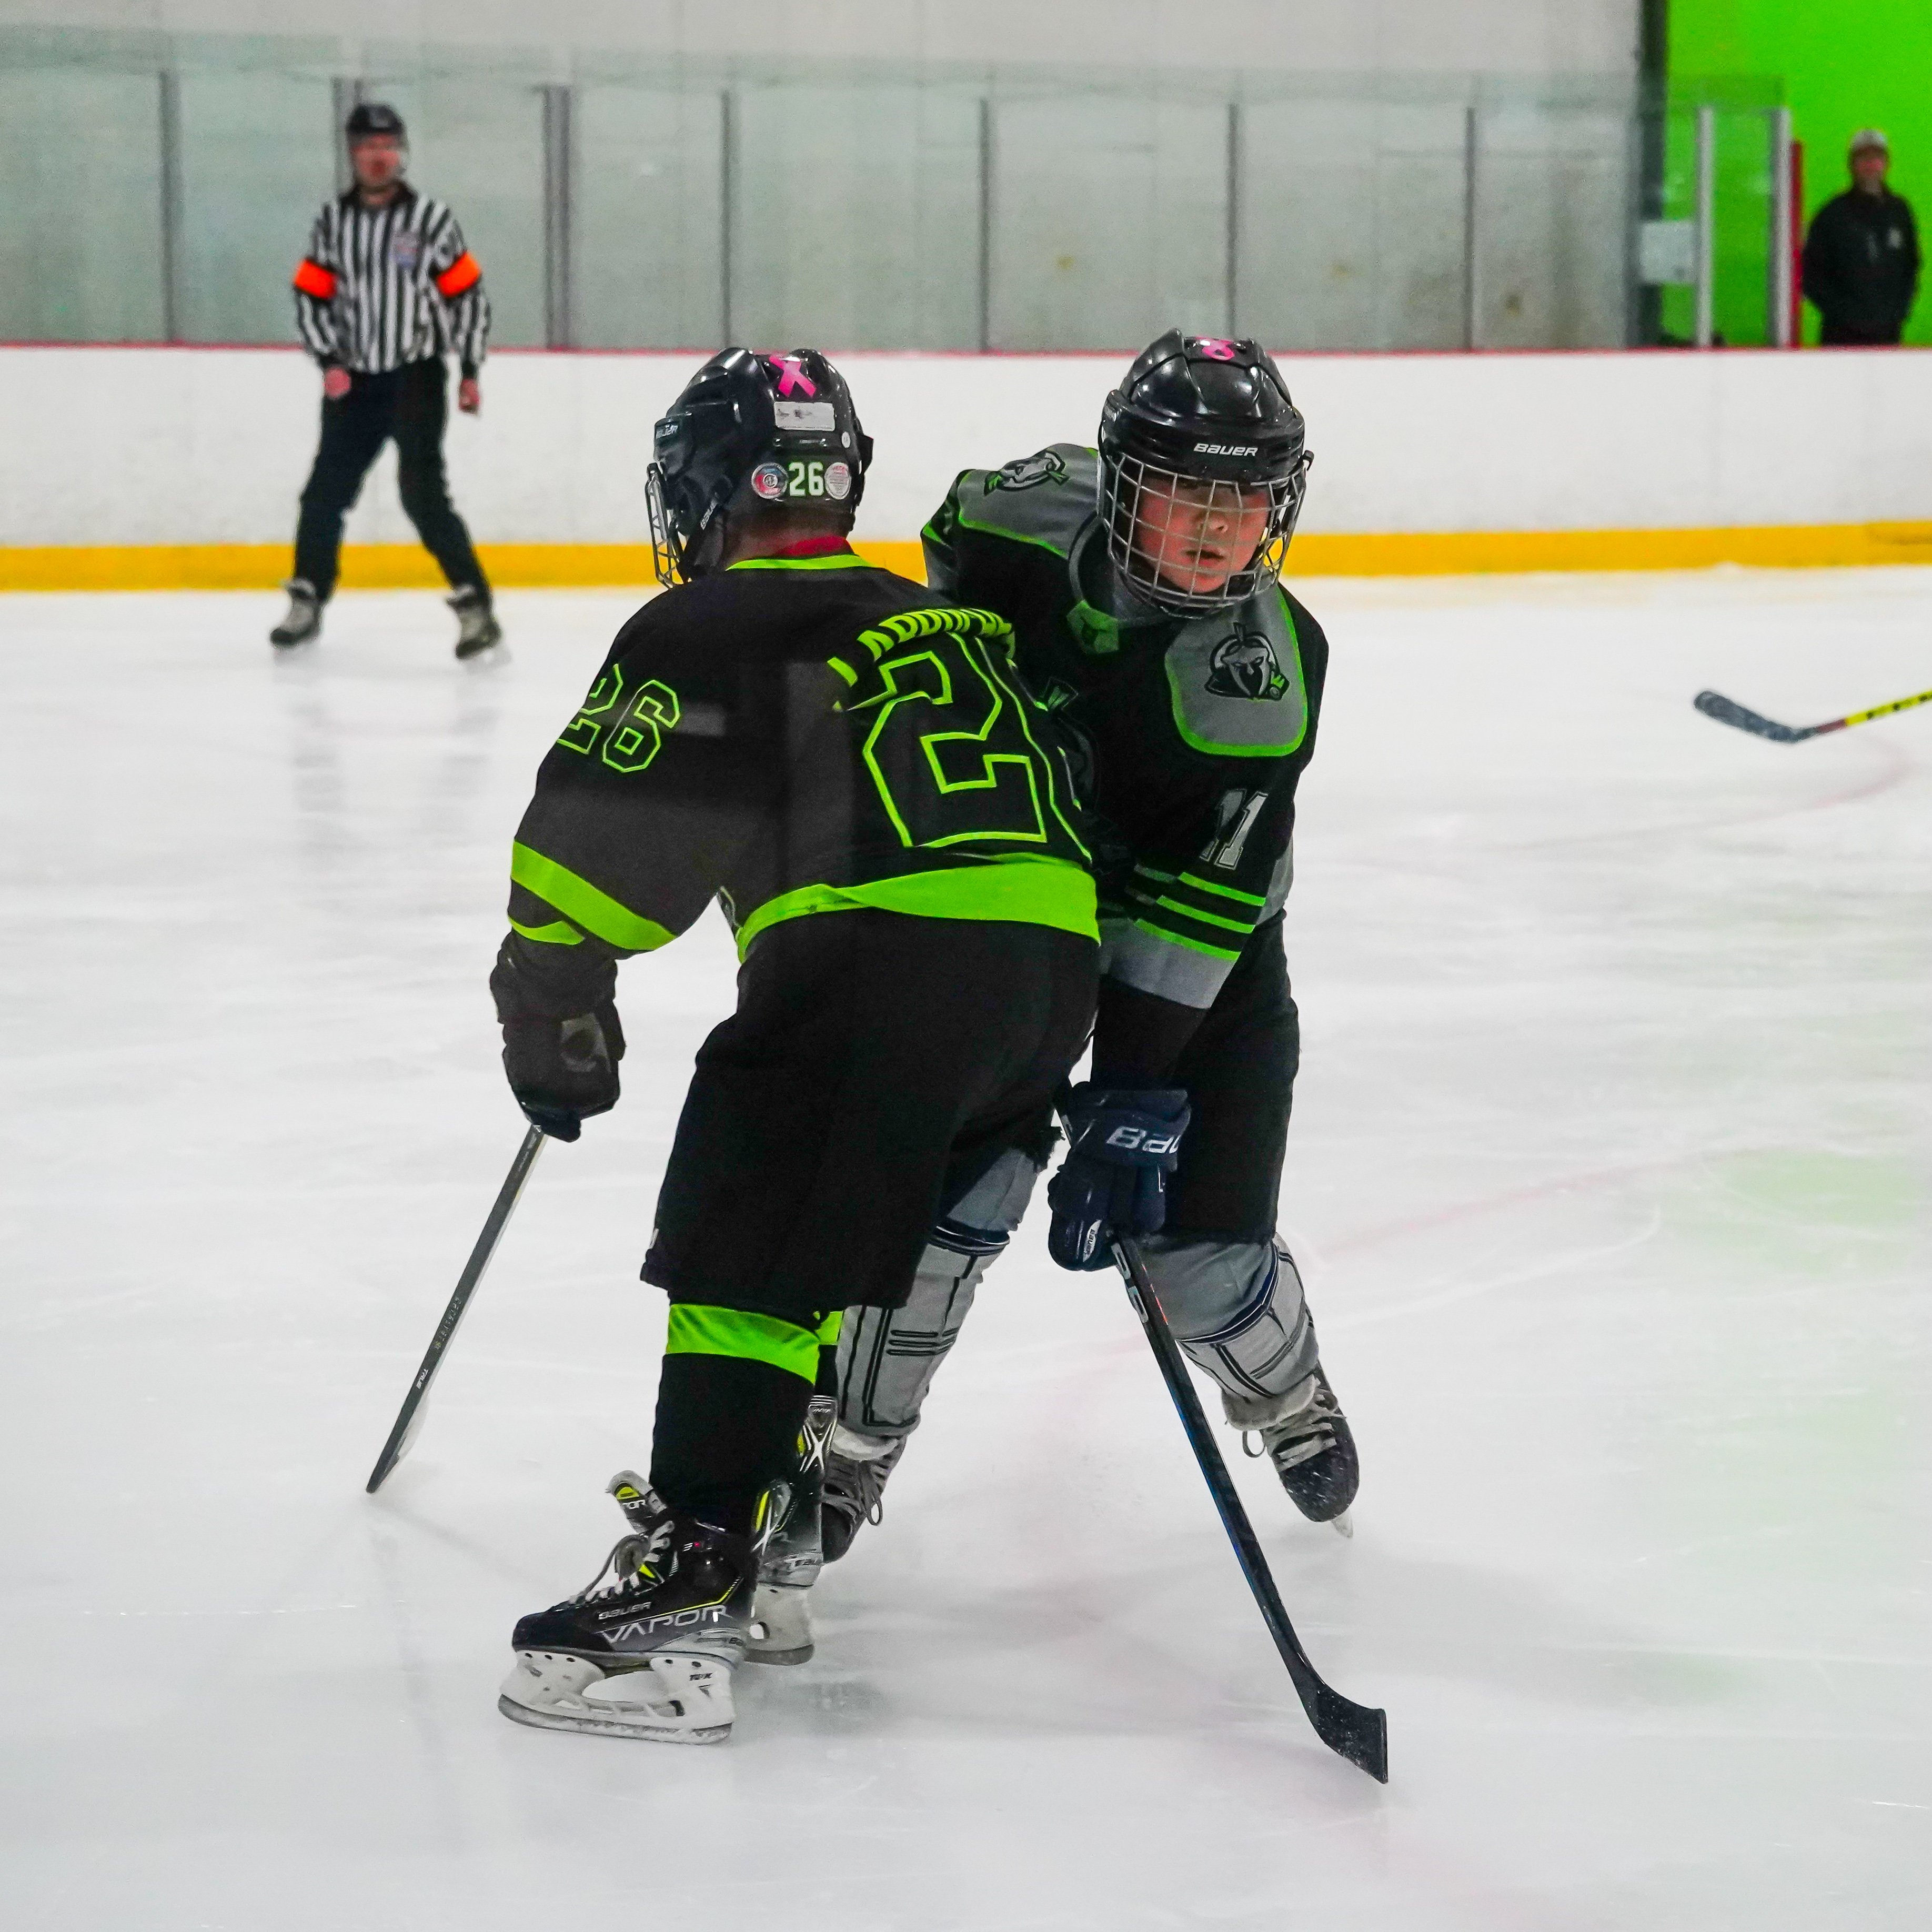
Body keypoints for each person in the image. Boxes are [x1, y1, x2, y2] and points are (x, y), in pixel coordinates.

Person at [489, 348, 1098, 1743]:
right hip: (1046, 983)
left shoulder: (710, 622)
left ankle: (697, 1566)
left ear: (704, 490)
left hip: (887, 964)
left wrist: (553, 1005)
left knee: (752, 1228)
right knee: (822, 1218)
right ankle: (767, 1521)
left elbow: (591, 864)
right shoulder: (941, 620)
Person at [819, 331, 1357, 1567]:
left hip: (1202, 959)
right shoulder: (1008, 518)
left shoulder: (1262, 681)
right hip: (1020, 911)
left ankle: (1283, 1389)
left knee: (1198, 1267)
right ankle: (847, 1440)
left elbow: (1200, 911)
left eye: (1249, 499)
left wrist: (1132, 1095)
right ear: (1121, 486)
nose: (1222, 529)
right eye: (1190, 492)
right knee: (950, 1197)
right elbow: (941, 611)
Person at [272, 102, 501, 659]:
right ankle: (307, 598)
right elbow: (310, 296)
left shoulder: (431, 221)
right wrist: (329, 360)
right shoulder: (333, 223)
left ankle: (476, 607)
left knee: (422, 495)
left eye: (388, 146)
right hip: (352, 381)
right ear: (353, 154)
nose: (379, 156)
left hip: (415, 376)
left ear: (401, 153)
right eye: (368, 147)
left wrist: (470, 368)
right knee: (324, 494)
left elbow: (467, 296)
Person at [1803, 129, 1921, 346]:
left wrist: (1897, 313)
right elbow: (1811, 276)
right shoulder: (1832, 214)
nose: (1870, 165)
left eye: (1876, 158)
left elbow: (1911, 266)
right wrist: (1846, 315)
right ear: (1851, 164)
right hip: (1840, 338)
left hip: (1889, 336)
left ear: (1886, 163)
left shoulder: (1900, 211)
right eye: (1863, 158)